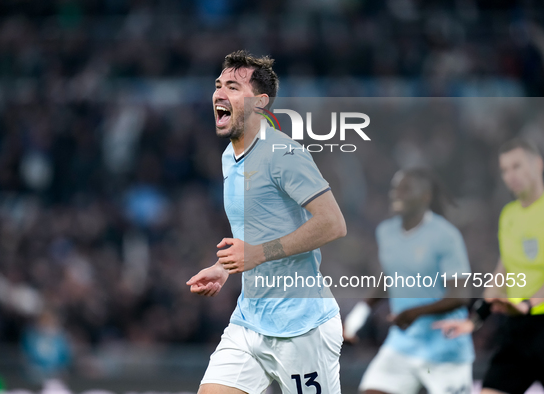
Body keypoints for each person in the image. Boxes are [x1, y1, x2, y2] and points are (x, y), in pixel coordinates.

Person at [186, 50, 346, 394]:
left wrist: (257, 254)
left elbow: (333, 223)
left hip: (302, 328)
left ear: (260, 103)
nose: (219, 93)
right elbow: (256, 234)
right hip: (249, 321)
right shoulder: (231, 156)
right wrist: (225, 267)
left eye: (232, 86)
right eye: (218, 85)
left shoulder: (283, 154)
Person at [343, 169, 474, 394]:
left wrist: (414, 313)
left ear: (425, 196)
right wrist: (359, 315)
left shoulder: (445, 236)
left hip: (445, 348)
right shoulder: (386, 232)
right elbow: (389, 276)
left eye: (405, 189)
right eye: (395, 188)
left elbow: (460, 296)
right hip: (402, 345)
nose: (397, 194)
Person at [434, 138, 544, 394]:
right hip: (517, 330)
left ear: (538, 164)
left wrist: (527, 303)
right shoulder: (509, 215)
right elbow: (502, 273)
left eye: (517, 166)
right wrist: (475, 319)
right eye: (504, 170)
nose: (510, 176)